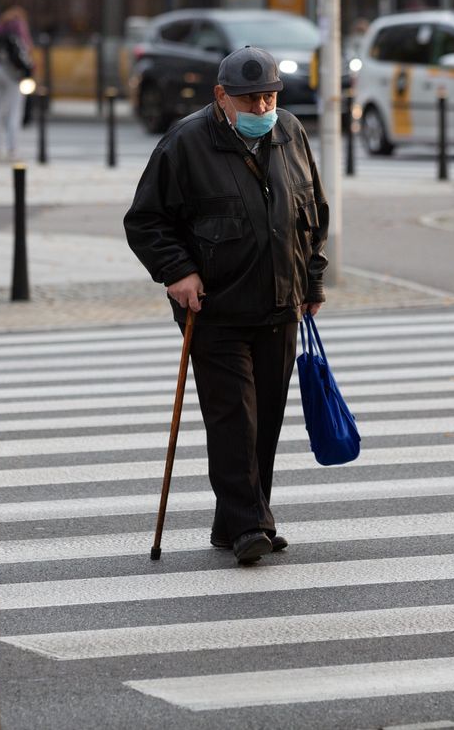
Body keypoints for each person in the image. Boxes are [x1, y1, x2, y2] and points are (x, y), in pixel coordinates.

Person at [124, 46, 329, 566]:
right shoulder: (186, 142)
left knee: (266, 419)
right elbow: (146, 220)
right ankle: (251, 525)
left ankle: (233, 519)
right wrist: (178, 272)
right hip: (214, 309)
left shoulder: (291, 134)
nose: (262, 108)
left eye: (269, 97)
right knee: (233, 417)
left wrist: (312, 282)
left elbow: (313, 214)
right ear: (221, 96)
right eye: (250, 99)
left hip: (280, 303)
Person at [0, 6, 34, 161]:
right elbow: (27, 50)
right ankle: (12, 150)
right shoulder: (18, 27)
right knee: (14, 112)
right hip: (13, 74)